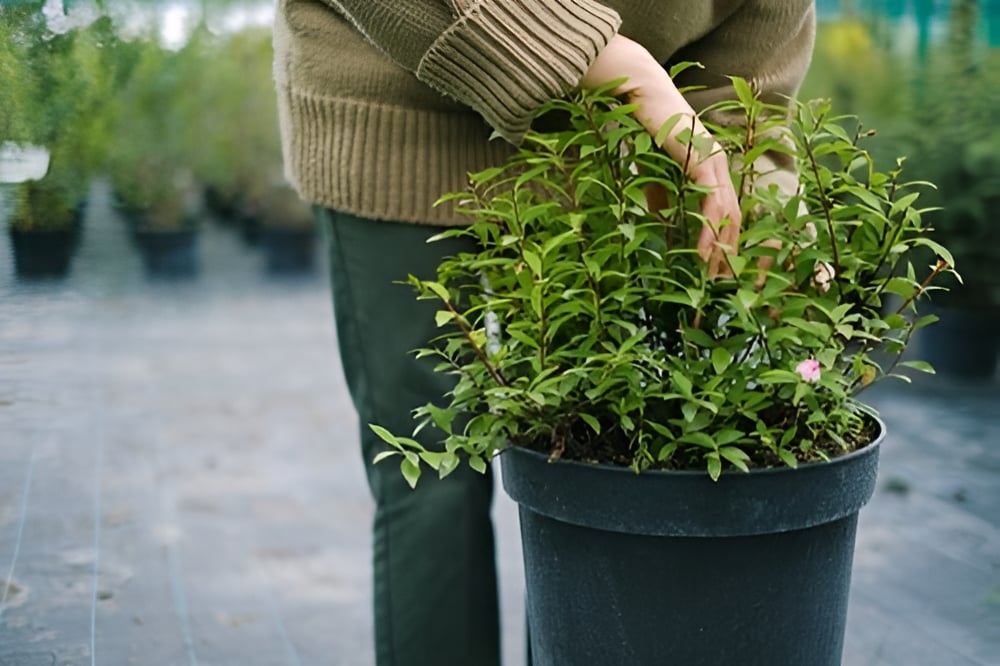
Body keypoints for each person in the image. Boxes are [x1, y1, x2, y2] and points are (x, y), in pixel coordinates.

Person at [272, 1, 815, 664]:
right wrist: (611, 62)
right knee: (428, 471)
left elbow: (746, 82)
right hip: (397, 106)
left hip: (598, 148)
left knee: (589, 473)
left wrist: (761, 201)